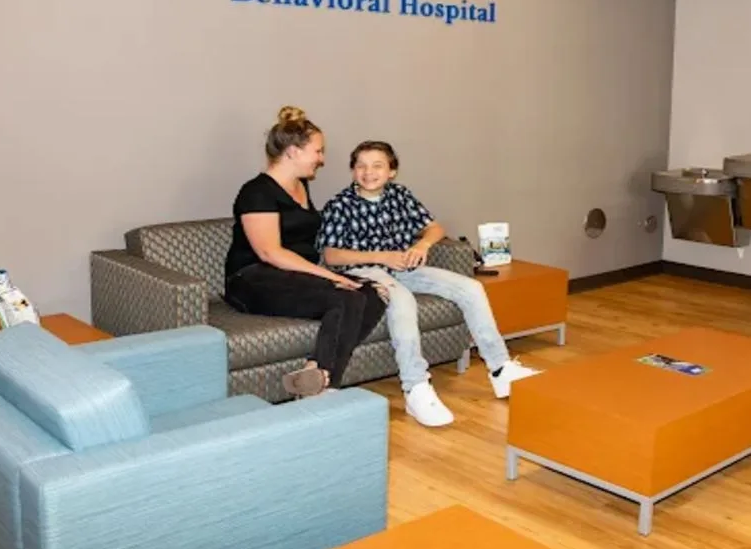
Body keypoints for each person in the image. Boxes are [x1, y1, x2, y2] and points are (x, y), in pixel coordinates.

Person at [317, 140, 540, 427]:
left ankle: (500, 369)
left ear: (391, 171)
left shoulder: (400, 195)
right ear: (353, 170)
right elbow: (331, 255)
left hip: (404, 265)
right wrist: (381, 256)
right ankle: (416, 388)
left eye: (377, 166)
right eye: (361, 166)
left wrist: (422, 245)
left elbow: (434, 228)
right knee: (403, 301)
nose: (368, 172)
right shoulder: (340, 205)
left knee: (471, 288)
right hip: (364, 271)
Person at [223, 107, 387, 398]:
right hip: (251, 280)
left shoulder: (301, 186)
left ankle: (315, 372)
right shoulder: (256, 192)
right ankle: (327, 385)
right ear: (293, 152)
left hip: (292, 276)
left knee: (375, 292)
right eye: (318, 151)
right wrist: (330, 276)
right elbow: (270, 253)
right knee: (347, 296)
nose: (322, 159)